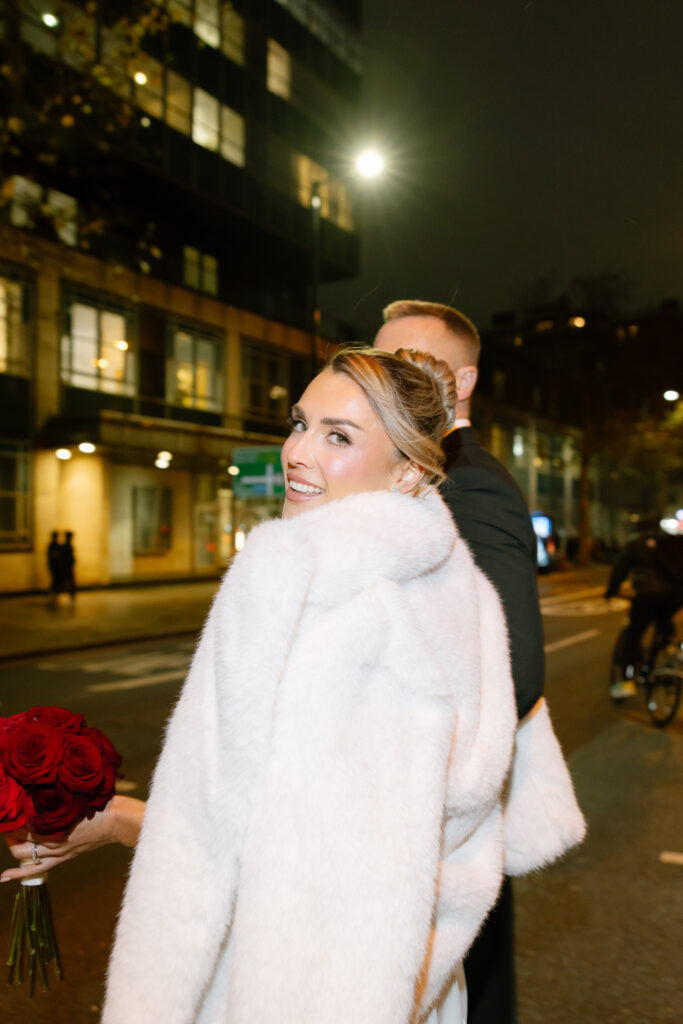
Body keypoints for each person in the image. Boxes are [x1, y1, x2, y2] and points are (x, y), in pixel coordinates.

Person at [4, 350, 583, 1024]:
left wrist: (121, 821)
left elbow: (302, 876)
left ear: (409, 470)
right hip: (412, 992)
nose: (297, 451)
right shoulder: (467, 596)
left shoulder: (301, 583)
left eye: (338, 436)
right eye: (299, 423)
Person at [375, 300, 546, 1024]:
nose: (387, 379)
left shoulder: (467, 482)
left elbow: (513, 671)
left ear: (463, 380)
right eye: (380, 363)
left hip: (436, 828)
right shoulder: (404, 471)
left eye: (408, 363)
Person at [605, 522, 683, 698]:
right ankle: (671, 649)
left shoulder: (636, 544)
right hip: (676, 595)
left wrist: (611, 590)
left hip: (648, 594)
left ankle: (627, 682)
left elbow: (620, 568)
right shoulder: (668, 541)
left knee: (634, 635)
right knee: (664, 619)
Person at [46, 530, 62, 606]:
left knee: (55, 579)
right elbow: (53, 556)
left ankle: (53, 592)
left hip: (54, 565)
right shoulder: (53, 545)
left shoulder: (54, 545)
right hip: (54, 565)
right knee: (55, 579)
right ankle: (52, 592)